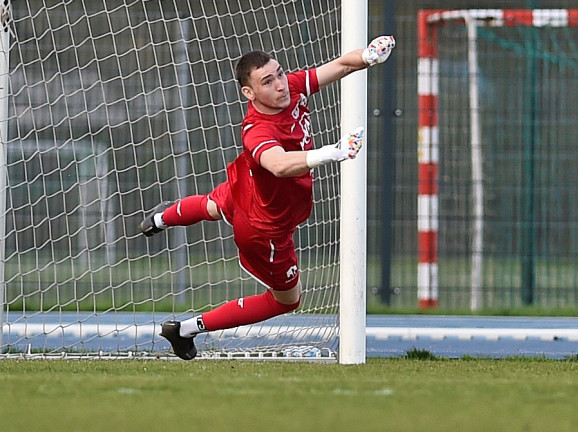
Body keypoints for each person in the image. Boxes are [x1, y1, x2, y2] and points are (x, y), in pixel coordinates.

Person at [140, 34, 396, 360]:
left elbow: (343, 65)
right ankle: (185, 330)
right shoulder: (256, 130)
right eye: (268, 81)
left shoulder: (289, 87)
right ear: (249, 93)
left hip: (246, 187)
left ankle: (158, 220)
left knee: (212, 205)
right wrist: (332, 152)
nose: (280, 84)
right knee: (287, 300)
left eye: (279, 73)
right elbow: (277, 165)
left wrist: (369, 56)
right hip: (265, 227)